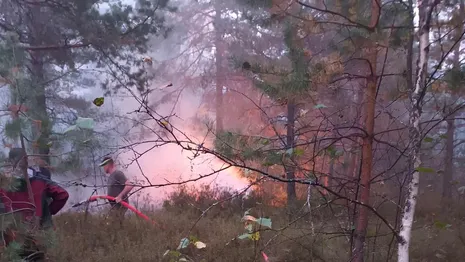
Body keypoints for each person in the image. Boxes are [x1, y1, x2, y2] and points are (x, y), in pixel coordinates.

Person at [0, 148, 69, 260]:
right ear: (27, 159)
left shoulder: (5, 184)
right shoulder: (40, 180)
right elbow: (62, 195)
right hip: (40, 233)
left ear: (10, 161)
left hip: (13, 236)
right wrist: (46, 213)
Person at [99, 156, 133, 225]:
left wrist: (120, 196)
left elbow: (129, 185)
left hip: (120, 206)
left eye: (104, 165)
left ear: (108, 165)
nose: (103, 168)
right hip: (114, 207)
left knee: (115, 225)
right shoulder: (110, 177)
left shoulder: (117, 174)